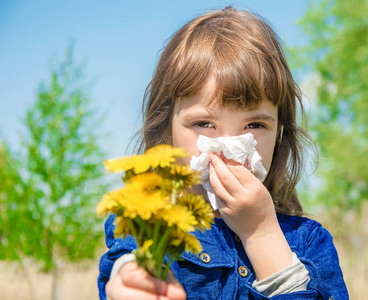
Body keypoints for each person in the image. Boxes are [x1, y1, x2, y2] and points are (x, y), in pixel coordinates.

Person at [98, 6, 348, 300]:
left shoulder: (309, 243)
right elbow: (127, 263)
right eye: (204, 123)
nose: (229, 147)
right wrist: (130, 278)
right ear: (167, 132)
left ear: (279, 134)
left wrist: (261, 233)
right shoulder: (148, 224)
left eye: (254, 124)